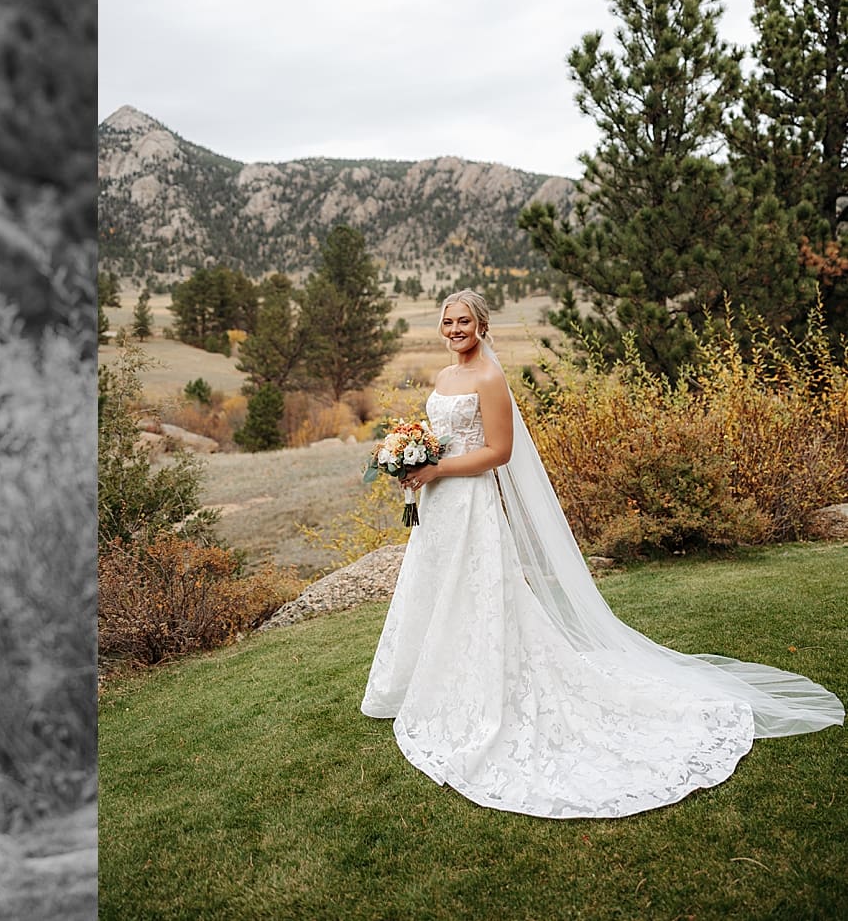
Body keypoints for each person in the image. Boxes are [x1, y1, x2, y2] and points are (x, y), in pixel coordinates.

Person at [361, 289, 843, 816]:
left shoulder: (489, 378)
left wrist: (437, 468)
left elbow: (499, 452)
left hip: (471, 502)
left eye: (464, 322)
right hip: (438, 506)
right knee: (438, 592)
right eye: (447, 322)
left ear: (481, 326)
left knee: (477, 596)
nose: (454, 330)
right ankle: (435, 685)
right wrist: (414, 458)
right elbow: (445, 437)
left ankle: (489, 694)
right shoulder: (444, 378)